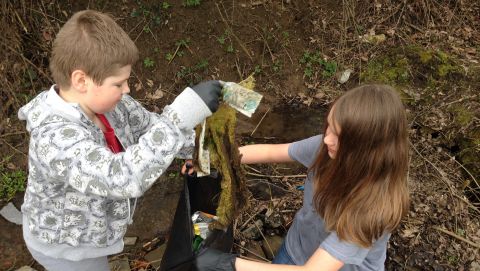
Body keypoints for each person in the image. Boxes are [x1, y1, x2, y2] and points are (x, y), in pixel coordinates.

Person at [18, 10, 223, 271]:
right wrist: (180, 116)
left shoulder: (113, 104)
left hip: (94, 234)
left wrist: (197, 151)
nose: (127, 89)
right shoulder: (54, 139)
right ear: (81, 80)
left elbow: (152, 128)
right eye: (119, 83)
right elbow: (122, 177)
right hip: (68, 249)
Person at [195, 84, 410, 271]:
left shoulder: (373, 210)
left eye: (339, 136)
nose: (327, 139)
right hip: (296, 249)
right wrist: (216, 159)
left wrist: (227, 264)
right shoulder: (326, 149)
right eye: (329, 127)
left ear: (367, 150)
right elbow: (272, 152)